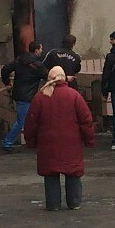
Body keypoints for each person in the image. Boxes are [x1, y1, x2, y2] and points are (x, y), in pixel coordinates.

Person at [22, 66, 96, 210]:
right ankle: (74, 202)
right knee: (73, 172)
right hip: (71, 143)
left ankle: (53, 204)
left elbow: (31, 122)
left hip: (47, 145)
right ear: (63, 78)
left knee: (50, 173)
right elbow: (86, 120)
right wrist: (89, 139)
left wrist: (31, 141)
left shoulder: (40, 97)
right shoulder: (74, 96)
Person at [0, 41, 49, 153]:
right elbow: (48, 76)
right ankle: (7, 142)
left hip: (18, 94)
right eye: (41, 49)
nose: (42, 51)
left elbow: (6, 68)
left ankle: (36, 140)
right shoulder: (37, 65)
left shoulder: (20, 60)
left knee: (33, 118)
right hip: (27, 97)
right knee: (21, 121)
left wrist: (6, 82)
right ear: (36, 50)